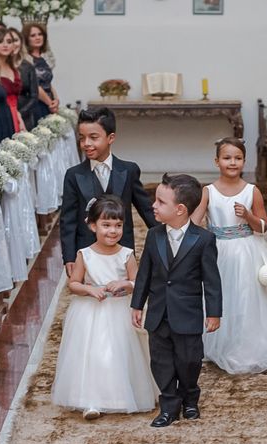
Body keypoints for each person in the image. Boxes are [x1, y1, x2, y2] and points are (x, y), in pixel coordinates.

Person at [191, 138, 267, 374]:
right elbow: (195, 223)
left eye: (238, 158)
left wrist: (248, 216)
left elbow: (263, 227)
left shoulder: (252, 191)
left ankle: (250, 344)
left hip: (248, 250)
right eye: (227, 158)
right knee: (223, 295)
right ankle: (221, 341)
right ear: (217, 161)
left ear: (244, 161)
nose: (232, 162)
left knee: (247, 296)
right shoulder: (208, 191)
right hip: (219, 251)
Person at [51, 195, 157, 420]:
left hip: (119, 310)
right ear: (92, 225)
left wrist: (125, 284)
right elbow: (74, 283)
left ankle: (121, 395)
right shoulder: (84, 254)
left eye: (118, 225)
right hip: (91, 312)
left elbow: (138, 283)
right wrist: (90, 290)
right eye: (106, 225)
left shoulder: (126, 254)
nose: (113, 231)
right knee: (93, 354)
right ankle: (91, 400)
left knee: (119, 354)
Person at [131, 174, 222, 427]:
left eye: (160, 201)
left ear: (180, 209)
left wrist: (213, 313)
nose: (154, 206)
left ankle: (190, 398)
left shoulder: (203, 240)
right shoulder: (153, 236)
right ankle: (169, 405)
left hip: (188, 314)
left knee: (190, 360)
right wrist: (137, 304)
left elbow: (211, 280)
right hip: (159, 313)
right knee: (161, 362)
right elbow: (145, 274)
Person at [60, 107, 158, 277]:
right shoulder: (73, 175)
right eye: (82, 138)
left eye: (93, 137)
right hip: (88, 250)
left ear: (111, 137)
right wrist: (69, 256)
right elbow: (68, 219)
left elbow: (147, 210)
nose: (86, 144)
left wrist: (167, 238)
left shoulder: (128, 170)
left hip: (122, 248)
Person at [23, 23, 58, 122]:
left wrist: (56, 99)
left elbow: (48, 82)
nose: (37, 37)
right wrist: (49, 103)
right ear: (26, 39)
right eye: (33, 35)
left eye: (40, 34)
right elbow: (35, 85)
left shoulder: (44, 58)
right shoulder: (27, 59)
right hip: (37, 104)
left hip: (49, 102)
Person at [0, 28, 25, 133]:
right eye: (1, 41)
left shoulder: (13, 67)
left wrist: (19, 117)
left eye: (9, 42)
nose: (5, 45)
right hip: (0, 115)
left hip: (16, 113)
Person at [8, 27, 38, 131]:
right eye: (9, 41)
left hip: (26, 117)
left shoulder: (28, 66)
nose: (13, 44)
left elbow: (34, 96)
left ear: (21, 42)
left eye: (16, 40)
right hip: (6, 116)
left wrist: (20, 113)